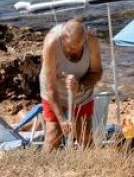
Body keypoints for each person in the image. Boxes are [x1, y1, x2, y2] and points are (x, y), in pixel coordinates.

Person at [39, 19, 103, 147]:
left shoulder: (91, 41)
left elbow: (97, 72)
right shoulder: (52, 44)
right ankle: (46, 166)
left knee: (85, 135)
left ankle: (89, 166)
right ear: (63, 39)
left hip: (82, 91)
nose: (75, 53)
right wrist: (62, 119)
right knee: (53, 134)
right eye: (70, 49)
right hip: (54, 90)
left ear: (84, 39)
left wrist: (81, 86)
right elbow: (50, 86)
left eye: (78, 49)